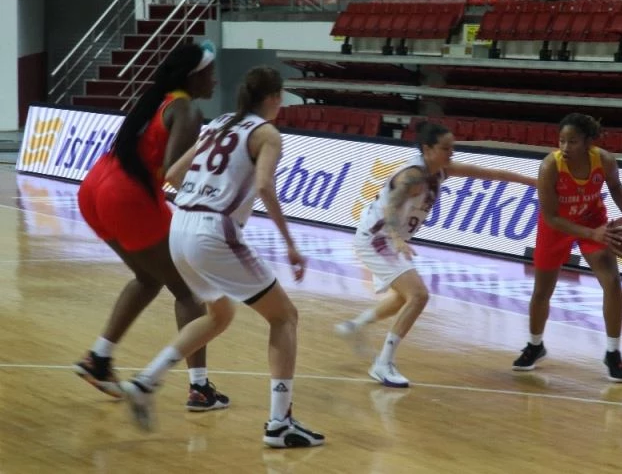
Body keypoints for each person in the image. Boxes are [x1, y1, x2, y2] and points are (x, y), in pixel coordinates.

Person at [119, 66, 324, 448]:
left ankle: (146, 381)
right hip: (213, 232)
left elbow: (173, 174)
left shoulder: (219, 123)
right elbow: (264, 186)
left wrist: (207, 190)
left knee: (219, 315)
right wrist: (290, 244)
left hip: (180, 227)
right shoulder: (267, 133)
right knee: (284, 317)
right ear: (275, 97)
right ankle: (280, 424)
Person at [74, 42, 229, 411]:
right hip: (128, 196)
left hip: (95, 187)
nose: (215, 80)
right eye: (210, 73)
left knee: (148, 278)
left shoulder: (159, 100)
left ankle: (99, 358)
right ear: (193, 76)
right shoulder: (187, 110)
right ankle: (199, 388)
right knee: (190, 291)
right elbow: (175, 172)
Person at [335, 121, 538, 388]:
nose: (451, 153)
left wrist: (533, 182)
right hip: (379, 238)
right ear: (427, 149)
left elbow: (489, 173)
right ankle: (383, 363)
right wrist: (396, 238)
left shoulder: (441, 170)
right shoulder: (411, 176)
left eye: (452, 148)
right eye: (446, 148)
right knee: (419, 295)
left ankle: (356, 326)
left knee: (403, 298)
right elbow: (391, 207)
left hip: (388, 240)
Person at [512, 112, 622, 382]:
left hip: (593, 219)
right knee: (542, 291)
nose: (565, 147)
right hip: (557, 226)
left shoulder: (604, 160)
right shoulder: (550, 167)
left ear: (588, 142)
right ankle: (535, 345)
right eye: (562, 141)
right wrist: (593, 233)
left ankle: (613, 352)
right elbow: (551, 217)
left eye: (573, 141)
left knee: (612, 282)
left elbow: (616, 186)